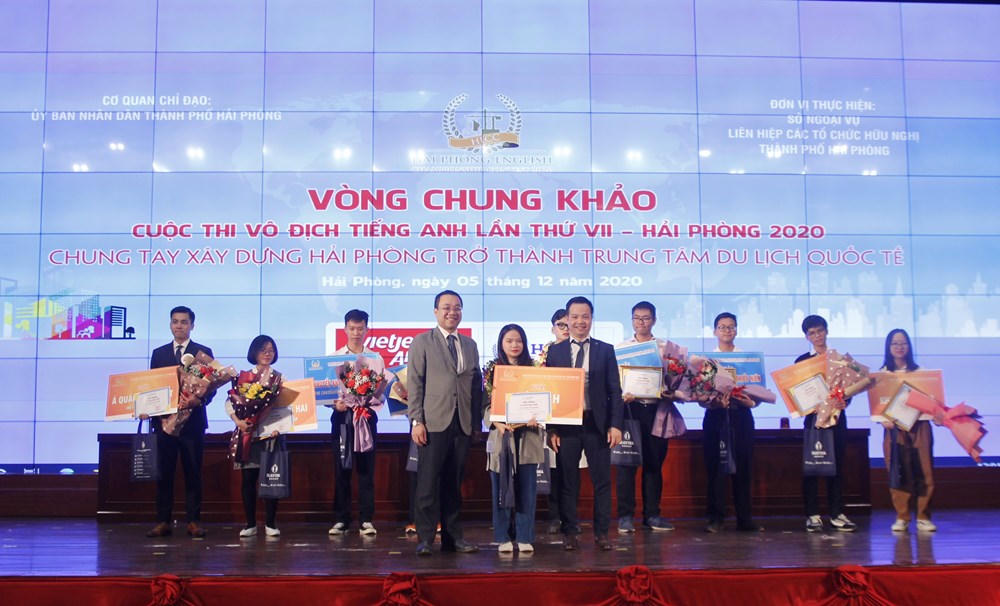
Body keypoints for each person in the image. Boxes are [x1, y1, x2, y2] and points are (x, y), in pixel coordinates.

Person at [407, 290, 483, 556]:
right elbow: (415, 382)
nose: (453, 312)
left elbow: (475, 386)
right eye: (447, 307)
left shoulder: (470, 345)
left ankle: (453, 538)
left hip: (462, 423)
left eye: (457, 307)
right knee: (427, 484)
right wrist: (417, 420)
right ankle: (426, 539)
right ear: (436, 311)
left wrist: (476, 423)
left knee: (454, 483)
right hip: (433, 422)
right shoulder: (422, 342)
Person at [546, 296, 624, 551]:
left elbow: (615, 391)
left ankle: (602, 534)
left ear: (591, 319)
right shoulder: (555, 351)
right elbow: (549, 392)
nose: (580, 321)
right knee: (568, 482)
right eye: (575, 316)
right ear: (567, 319)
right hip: (567, 425)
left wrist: (615, 425)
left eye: (585, 316)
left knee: (602, 482)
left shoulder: (605, 350)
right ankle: (570, 532)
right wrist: (551, 429)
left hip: (597, 425)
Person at [145, 306, 216, 538]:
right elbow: (152, 386)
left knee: (193, 473)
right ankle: (163, 521)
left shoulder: (202, 352)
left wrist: (199, 399)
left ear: (192, 325)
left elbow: (212, 386)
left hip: (192, 424)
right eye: (175, 321)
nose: (179, 326)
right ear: (170, 325)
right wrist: (145, 408)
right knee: (164, 473)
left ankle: (193, 521)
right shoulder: (159, 354)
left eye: (184, 322)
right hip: (164, 424)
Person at [615, 301, 676, 533]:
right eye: (637, 318)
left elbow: (675, 382)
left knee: (653, 464)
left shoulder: (665, 350)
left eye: (646, 318)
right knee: (626, 466)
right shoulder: (621, 349)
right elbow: (614, 383)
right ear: (632, 320)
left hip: (656, 411)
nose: (641, 322)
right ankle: (625, 517)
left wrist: (670, 391)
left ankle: (652, 515)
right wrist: (622, 394)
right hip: (630, 411)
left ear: (654, 320)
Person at [484, 324, 544, 553]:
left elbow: (544, 400)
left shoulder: (535, 369)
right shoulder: (492, 371)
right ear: (501, 343)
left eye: (518, 340)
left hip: (528, 437)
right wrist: (496, 422)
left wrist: (538, 416)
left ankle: (525, 536)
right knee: (501, 490)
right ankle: (502, 537)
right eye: (509, 341)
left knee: (526, 490)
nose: (514, 345)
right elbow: (484, 405)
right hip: (502, 437)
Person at [797, 315, 856, 533]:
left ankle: (837, 513)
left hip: (836, 418)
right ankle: (812, 515)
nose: (817, 336)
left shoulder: (840, 359)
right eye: (812, 333)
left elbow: (850, 388)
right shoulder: (802, 361)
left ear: (827, 331)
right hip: (813, 419)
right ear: (807, 337)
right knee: (812, 466)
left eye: (820, 331)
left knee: (837, 466)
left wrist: (845, 400)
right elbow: (797, 392)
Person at [703, 312, 761, 533]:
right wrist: (715, 402)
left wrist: (750, 402)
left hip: (741, 416)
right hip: (715, 416)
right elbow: (700, 395)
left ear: (736, 330)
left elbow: (758, 393)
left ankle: (744, 519)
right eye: (722, 327)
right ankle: (715, 518)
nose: (727, 331)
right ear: (715, 331)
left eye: (731, 327)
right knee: (715, 468)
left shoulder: (748, 360)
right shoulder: (707, 362)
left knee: (743, 468)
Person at [328, 310, 384, 537]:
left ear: (366, 330)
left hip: (366, 418)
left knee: (366, 469)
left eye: (360, 328)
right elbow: (325, 392)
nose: (356, 333)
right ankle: (341, 519)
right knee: (342, 468)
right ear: (345, 329)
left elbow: (380, 391)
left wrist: (370, 400)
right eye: (352, 328)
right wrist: (335, 404)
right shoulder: (334, 358)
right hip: (342, 419)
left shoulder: (375, 358)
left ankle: (366, 520)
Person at [227, 335, 284, 538]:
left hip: (271, 437)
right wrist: (239, 422)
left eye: (271, 350)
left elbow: (283, 407)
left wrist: (279, 426)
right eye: (263, 350)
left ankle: (270, 523)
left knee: (271, 480)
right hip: (248, 435)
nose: (267, 354)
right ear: (254, 352)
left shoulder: (279, 378)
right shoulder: (243, 377)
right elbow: (230, 402)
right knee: (248, 480)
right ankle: (250, 523)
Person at [880, 328, 936, 533]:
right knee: (898, 471)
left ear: (909, 346)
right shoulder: (882, 375)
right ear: (888, 347)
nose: (899, 347)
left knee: (924, 470)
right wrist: (883, 420)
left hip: (920, 426)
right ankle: (902, 516)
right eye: (895, 343)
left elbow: (932, 400)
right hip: (894, 429)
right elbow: (877, 405)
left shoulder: (921, 373)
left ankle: (923, 516)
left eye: (903, 343)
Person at [542, 308, 570, 534]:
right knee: (552, 469)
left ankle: (569, 517)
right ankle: (554, 516)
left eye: (568, 324)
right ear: (553, 328)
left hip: (573, 417)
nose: (565, 329)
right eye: (561, 325)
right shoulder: (546, 355)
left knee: (569, 470)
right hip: (551, 419)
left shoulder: (581, 351)